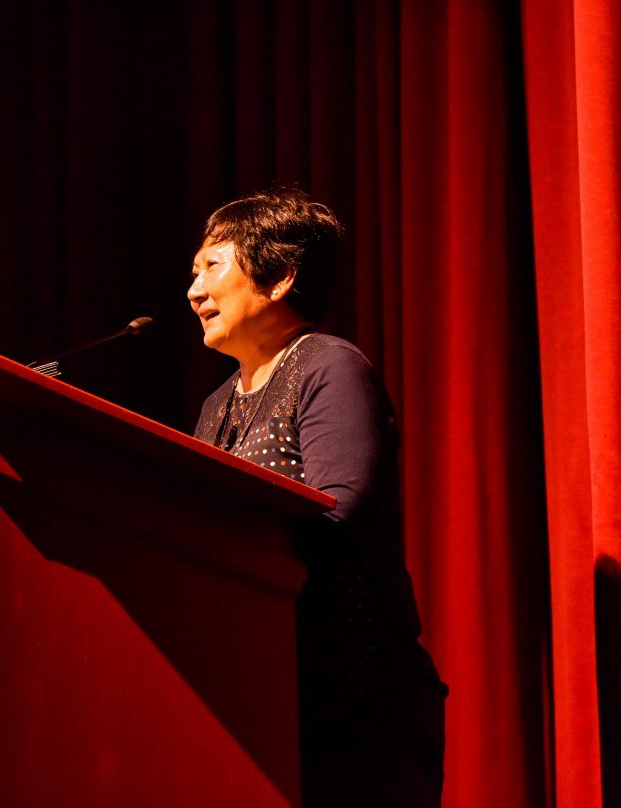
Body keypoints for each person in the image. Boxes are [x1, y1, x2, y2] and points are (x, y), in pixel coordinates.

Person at [187, 188, 447, 807]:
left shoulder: (329, 366)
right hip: (252, 692)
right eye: (193, 273)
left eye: (212, 266)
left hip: (353, 703)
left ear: (279, 277)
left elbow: (342, 518)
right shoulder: (215, 406)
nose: (194, 291)